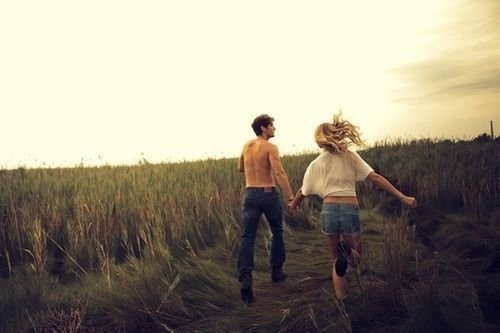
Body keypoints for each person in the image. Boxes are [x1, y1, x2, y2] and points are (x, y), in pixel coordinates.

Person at [289, 113, 417, 304]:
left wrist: (294, 204)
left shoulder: (316, 163)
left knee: (336, 261)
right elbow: (375, 178)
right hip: (349, 207)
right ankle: (348, 252)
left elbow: (303, 190)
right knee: (356, 260)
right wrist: (402, 196)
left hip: (329, 209)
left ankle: (343, 303)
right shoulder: (350, 156)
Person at [237, 114, 295, 304]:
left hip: (250, 193)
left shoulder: (246, 146)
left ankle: (246, 280)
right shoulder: (270, 147)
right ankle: (276, 271)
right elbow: (279, 172)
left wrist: (254, 167)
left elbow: (240, 168)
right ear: (263, 128)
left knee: (247, 237)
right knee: (277, 231)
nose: (274, 129)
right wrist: (290, 197)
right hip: (268, 193)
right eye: (272, 126)